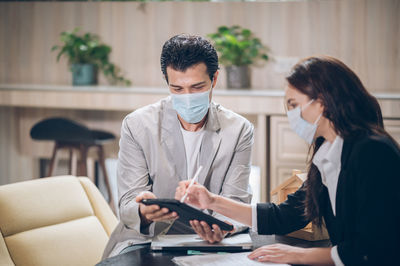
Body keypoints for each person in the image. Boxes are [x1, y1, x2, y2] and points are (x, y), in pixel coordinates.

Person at [175, 56, 400, 265]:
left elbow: (372, 249)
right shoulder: (328, 154)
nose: (290, 114)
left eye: (293, 104)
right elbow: (286, 216)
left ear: (321, 103)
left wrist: (300, 255)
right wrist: (211, 201)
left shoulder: (373, 152)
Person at [102, 34, 254, 258]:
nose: (188, 97)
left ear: (215, 79)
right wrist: (144, 212)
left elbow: (236, 201)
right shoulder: (138, 125)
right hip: (145, 241)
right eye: (177, 89)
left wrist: (220, 227)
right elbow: (127, 205)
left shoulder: (239, 130)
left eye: (197, 87)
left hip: (210, 245)